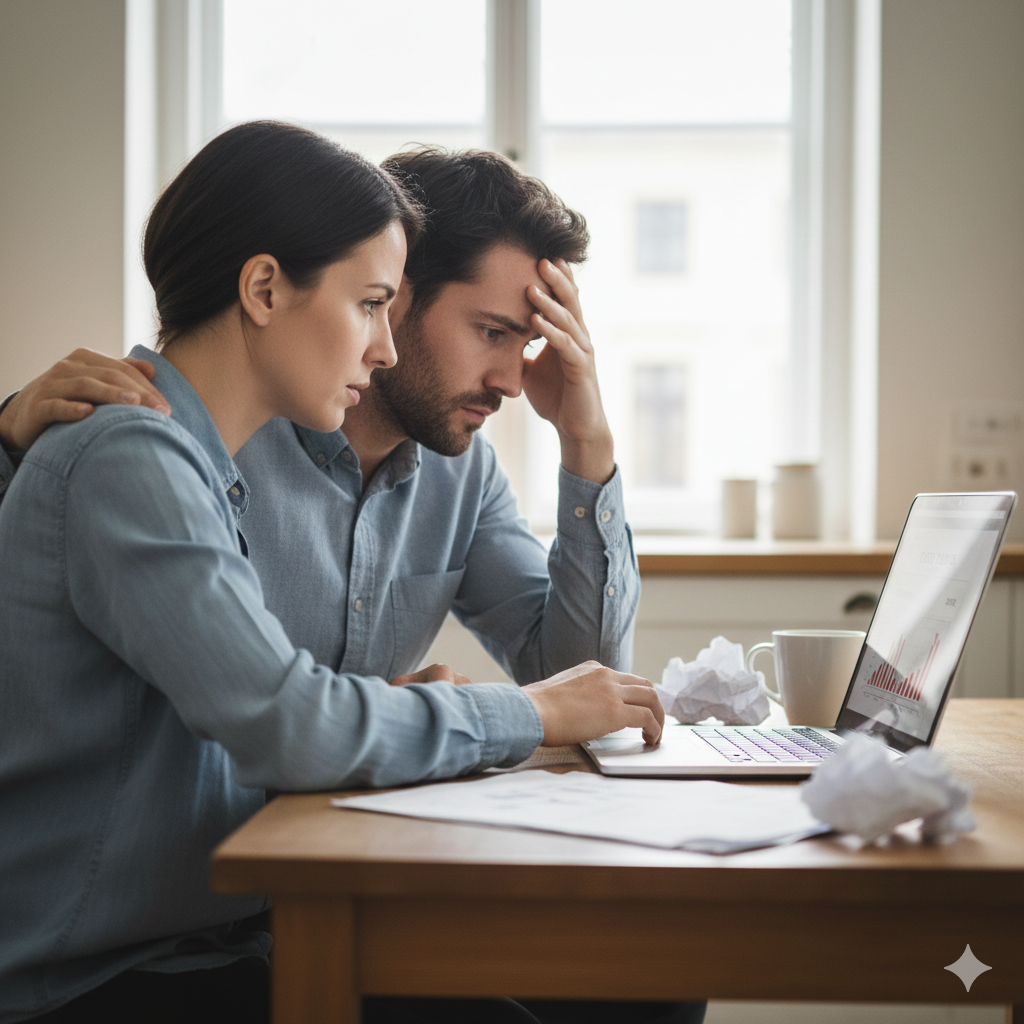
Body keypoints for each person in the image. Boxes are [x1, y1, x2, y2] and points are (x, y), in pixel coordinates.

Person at [0, 121, 672, 1024]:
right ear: (271, 289)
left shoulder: (229, 456)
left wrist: (588, 445)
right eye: (371, 305)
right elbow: (293, 722)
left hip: (269, 916)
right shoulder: (148, 451)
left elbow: (581, 674)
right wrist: (521, 712)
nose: (383, 345)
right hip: (121, 961)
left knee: (640, 984)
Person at [0, 148, 639, 692]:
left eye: (524, 345)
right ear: (397, 291)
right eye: (492, 332)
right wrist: (8, 440)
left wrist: (587, 439)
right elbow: (275, 718)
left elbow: (584, 683)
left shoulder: (463, 476)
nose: (511, 381)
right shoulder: (203, 436)